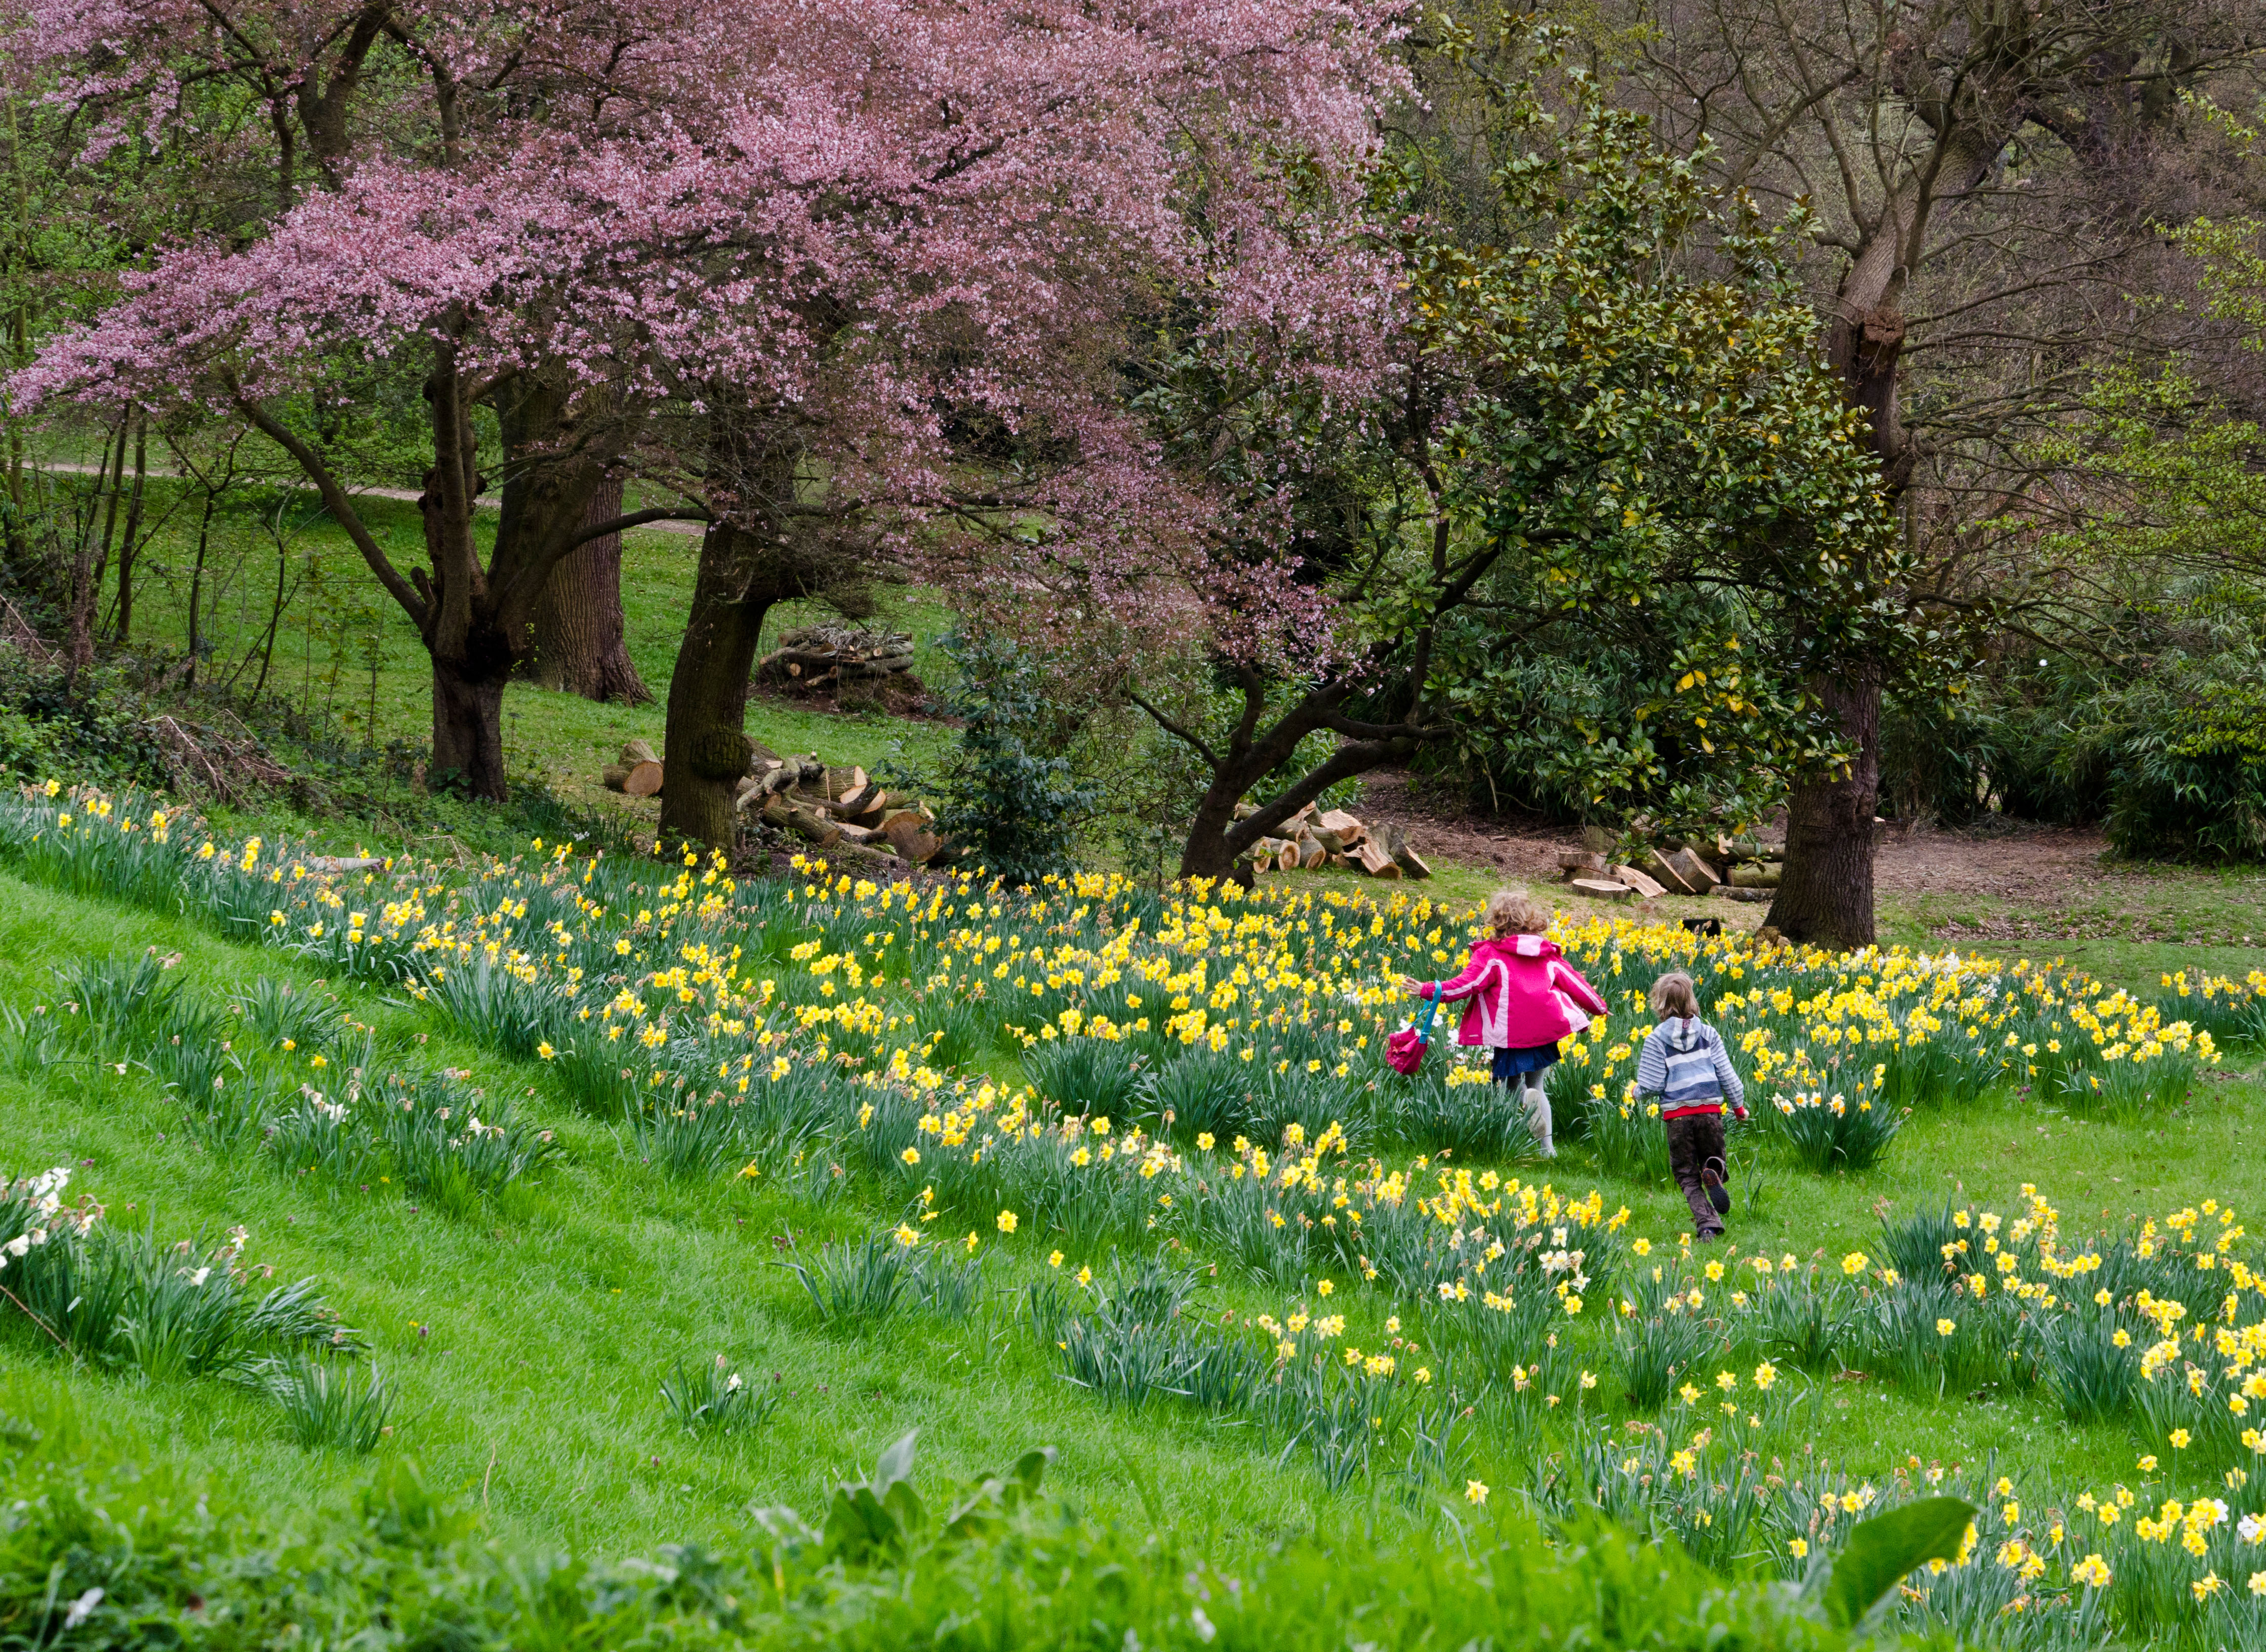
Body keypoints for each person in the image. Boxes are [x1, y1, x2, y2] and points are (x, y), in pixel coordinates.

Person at [1399, 891, 1606, 1158]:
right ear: (1532, 921)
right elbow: (1575, 982)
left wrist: (1429, 989)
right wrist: (1599, 1007)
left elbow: (1467, 985)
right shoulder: (1546, 954)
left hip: (1511, 1035)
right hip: (1544, 1032)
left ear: (1497, 922)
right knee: (1538, 1086)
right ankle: (1549, 1151)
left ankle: (1510, 1137)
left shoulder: (1492, 955)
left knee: (1509, 1087)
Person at [1634, 970, 1748, 1240]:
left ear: (1659, 1003)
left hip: (1678, 1118)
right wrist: (1739, 1107)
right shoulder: (1709, 1034)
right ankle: (1713, 1170)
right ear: (1691, 1000)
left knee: (1686, 1174)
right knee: (1715, 1158)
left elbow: (1652, 1084)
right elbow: (1727, 1075)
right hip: (1710, 1112)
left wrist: (1637, 1093)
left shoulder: (1656, 1039)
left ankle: (1707, 1225)